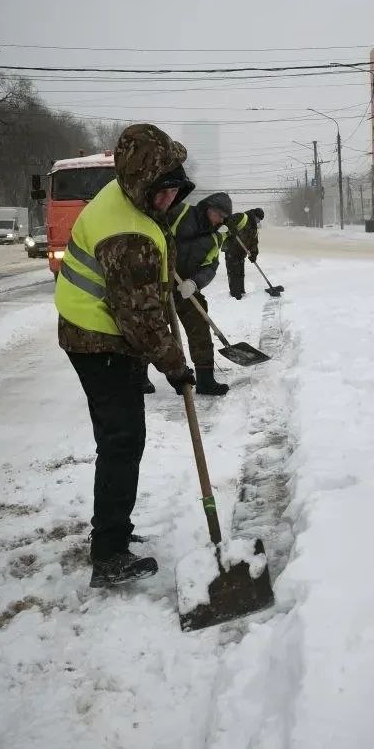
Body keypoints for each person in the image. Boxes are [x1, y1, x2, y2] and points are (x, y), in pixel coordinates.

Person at [55, 123, 196, 588]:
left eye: (174, 191)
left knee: (121, 439)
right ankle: (109, 552)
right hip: (98, 340)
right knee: (121, 441)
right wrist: (176, 366)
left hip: (102, 330)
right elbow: (140, 319)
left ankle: (115, 534)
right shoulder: (126, 233)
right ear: (141, 183)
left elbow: (143, 303)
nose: (168, 202)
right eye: (161, 194)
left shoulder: (126, 195)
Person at [167, 192, 232, 396]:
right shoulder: (181, 212)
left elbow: (210, 267)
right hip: (157, 281)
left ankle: (205, 380)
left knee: (200, 326)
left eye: (223, 217)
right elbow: (157, 231)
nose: (220, 220)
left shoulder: (215, 238)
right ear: (208, 208)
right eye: (218, 214)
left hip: (185, 287)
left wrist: (195, 283)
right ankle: (139, 378)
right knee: (150, 330)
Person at [223, 207, 264, 299]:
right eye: (258, 219)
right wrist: (232, 228)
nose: (258, 222)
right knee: (233, 272)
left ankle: (241, 291)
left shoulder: (254, 229)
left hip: (241, 253)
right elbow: (227, 219)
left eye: (259, 220)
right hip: (231, 250)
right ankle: (234, 294)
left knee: (241, 273)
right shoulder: (242, 217)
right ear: (254, 216)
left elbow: (254, 243)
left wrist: (254, 255)